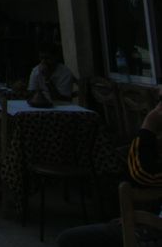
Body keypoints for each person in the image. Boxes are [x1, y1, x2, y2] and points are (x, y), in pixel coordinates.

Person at [57, 85, 162, 246]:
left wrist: (149, 125)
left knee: (69, 240)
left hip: (154, 231)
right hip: (149, 220)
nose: (157, 107)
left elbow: (143, 174)